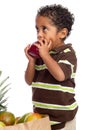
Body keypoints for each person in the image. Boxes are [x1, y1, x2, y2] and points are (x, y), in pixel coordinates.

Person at [24, 4, 78, 130]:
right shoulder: (41, 55)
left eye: (44, 29)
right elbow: (28, 81)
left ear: (62, 33)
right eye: (37, 29)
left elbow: (60, 76)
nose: (39, 34)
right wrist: (32, 61)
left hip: (64, 120)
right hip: (41, 119)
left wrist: (45, 55)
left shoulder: (67, 54)